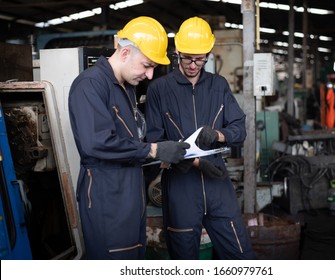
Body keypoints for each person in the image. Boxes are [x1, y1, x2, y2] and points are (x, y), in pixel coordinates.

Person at [68, 16, 190, 260]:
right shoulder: (90, 85)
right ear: (124, 53)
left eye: (153, 67)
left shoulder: (126, 88)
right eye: (146, 65)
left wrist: (164, 157)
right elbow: (97, 143)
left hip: (130, 194)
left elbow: (129, 141)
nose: (150, 75)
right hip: (108, 198)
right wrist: (154, 151)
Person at [145, 17, 256, 260]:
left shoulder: (219, 85)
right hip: (180, 185)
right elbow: (153, 140)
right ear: (177, 51)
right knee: (184, 260)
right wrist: (180, 159)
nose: (193, 64)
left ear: (208, 54)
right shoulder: (159, 90)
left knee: (240, 254)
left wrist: (218, 134)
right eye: (187, 58)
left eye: (200, 58)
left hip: (217, 182)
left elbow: (239, 128)